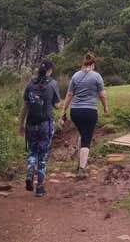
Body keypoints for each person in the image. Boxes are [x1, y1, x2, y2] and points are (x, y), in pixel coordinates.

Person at [61, 52, 108, 179]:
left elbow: (69, 95)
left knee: (82, 133)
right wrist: (105, 107)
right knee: (87, 138)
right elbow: (102, 95)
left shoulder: (75, 76)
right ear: (93, 64)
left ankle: (80, 163)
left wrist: (63, 111)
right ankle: (82, 169)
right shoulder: (97, 76)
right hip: (90, 111)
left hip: (75, 111)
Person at [19, 59, 61, 197]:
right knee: (43, 156)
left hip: (31, 124)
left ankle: (30, 171)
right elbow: (56, 105)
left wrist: (21, 125)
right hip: (46, 124)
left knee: (32, 152)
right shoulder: (53, 84)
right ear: (50, 70)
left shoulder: (30, 84)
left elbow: (25, 106)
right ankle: (40, 187)